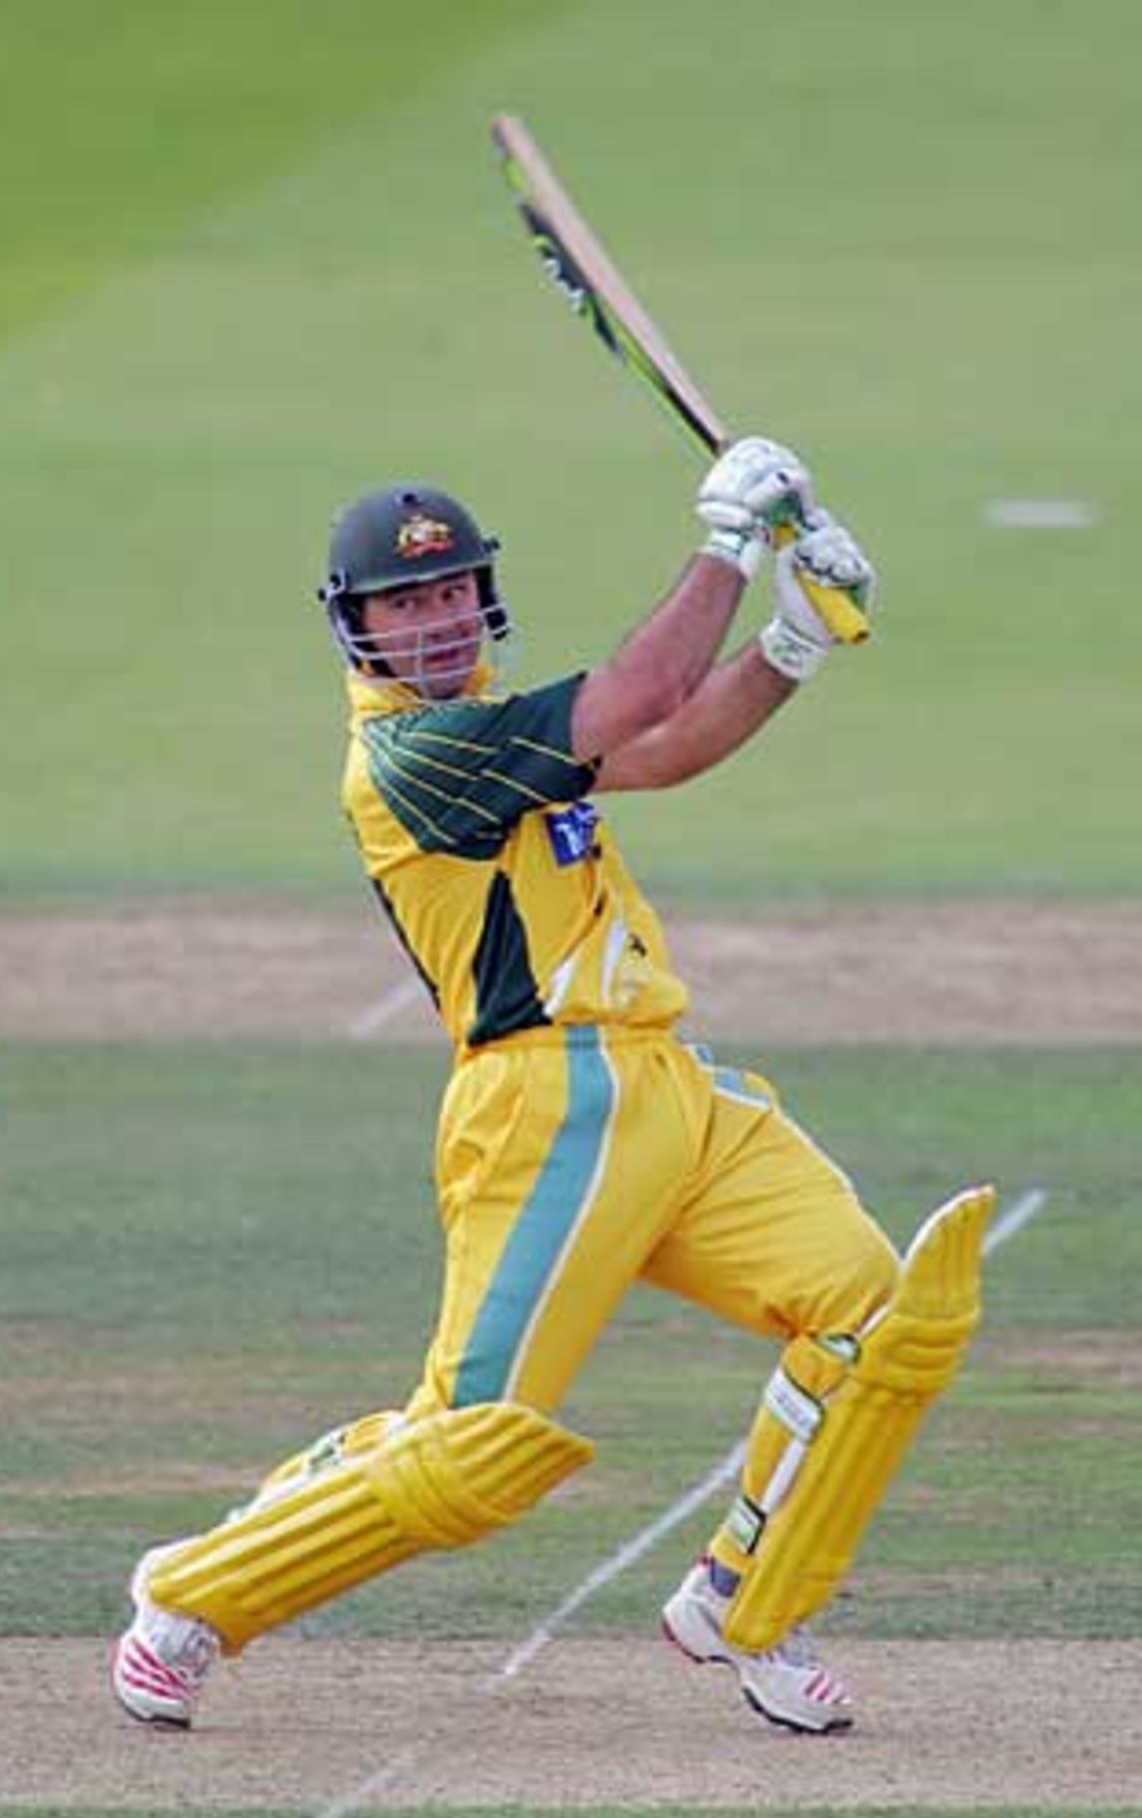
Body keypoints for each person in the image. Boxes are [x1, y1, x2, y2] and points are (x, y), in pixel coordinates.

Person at [112, 437, 992, 1734]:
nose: (435, 616)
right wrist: (730, 543)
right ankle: (189, 1597)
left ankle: (747, 1602)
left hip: (671, 1088)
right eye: (402, 601)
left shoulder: (502, 735)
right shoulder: (415, 757)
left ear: (483, 596)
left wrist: (794, 640)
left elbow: (669, 744)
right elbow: (641, 689)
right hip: (543, 1107)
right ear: (355, 628)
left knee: (878, 1313)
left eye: (451, 589)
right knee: (471, 1449)